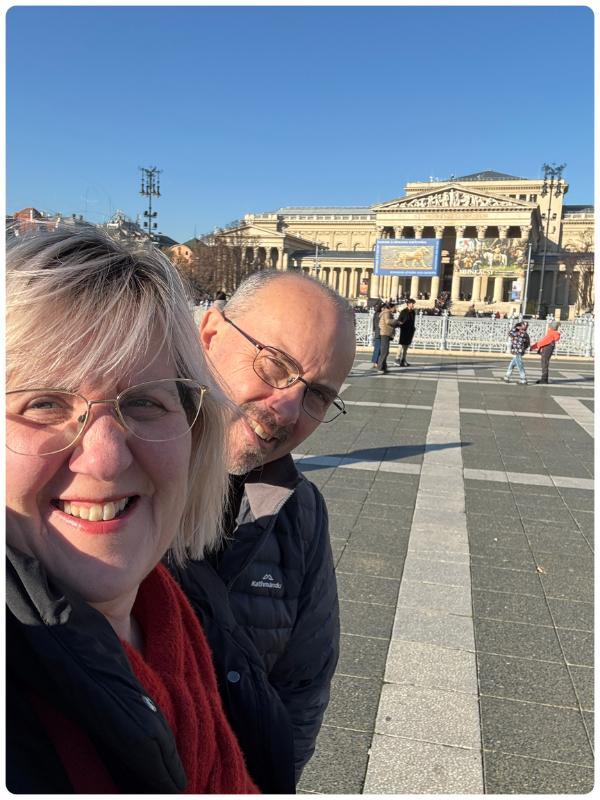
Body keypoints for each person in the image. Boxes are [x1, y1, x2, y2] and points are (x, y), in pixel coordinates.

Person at [5, 226, 271, 793]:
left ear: (196, 433)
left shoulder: (187, 614)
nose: (104, 458)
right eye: (44, 403)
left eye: (145, 403)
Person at [193, 270, 356, 783]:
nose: (287, 407)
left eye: (318, 395)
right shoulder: (104, 473)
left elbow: (303, 687)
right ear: (210, 334)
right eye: (276, 364)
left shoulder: (300, 512)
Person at [531, 319, 561, 384]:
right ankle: (544, 378)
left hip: (547, 350)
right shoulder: (553, 333)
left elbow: (542, 342)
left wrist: (533, 347)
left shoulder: (551, 333)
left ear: (551, 327)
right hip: (548, 349)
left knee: (544, 363)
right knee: (545, 363)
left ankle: (544, 379)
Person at [394, 298, 417, 367]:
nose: (413, 305)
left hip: (410, 331)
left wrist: (413, 328)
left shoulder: (413, 312)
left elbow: (413, 321)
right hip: (404, 330)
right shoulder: (403, 311)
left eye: (413, 304)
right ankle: (397, 359)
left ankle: (403, 360)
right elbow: (399, 320)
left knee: (406, 346)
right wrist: (401, 325)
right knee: (401, 345)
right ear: (408, 304)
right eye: (412, 303)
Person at [377, 302, 398, 373]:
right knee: (384, 351)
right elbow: (388, 321)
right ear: (391, 308)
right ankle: (380, 368)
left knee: (386, 351)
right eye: (395, 307)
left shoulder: (387, 313)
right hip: (385, 333)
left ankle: (384, 367)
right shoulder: (387, 313)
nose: (396, 309)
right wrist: (396, 321)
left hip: (386, 333)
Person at [370, 300, 383, 368]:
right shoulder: (380, 314)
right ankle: (376, 362)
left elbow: (374, 325)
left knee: (377, 348)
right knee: (378, 348)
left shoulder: (375, 313)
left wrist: (374, 330)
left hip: (377, 332)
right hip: (380, 333)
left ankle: (375, 361)